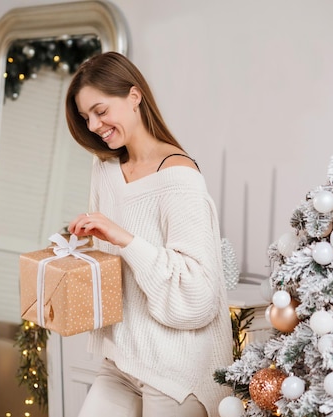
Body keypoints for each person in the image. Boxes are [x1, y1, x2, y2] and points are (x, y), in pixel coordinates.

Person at [65, 51, 233, 417]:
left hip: (177, 370)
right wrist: (72, 250)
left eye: (100, 110)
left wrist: (124, 239)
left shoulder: (180, 177)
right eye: (85, 117)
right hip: (122, 360)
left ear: (134, 96)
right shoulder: (105, 169)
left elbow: (198, 296)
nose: (93, 125)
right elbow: (111, 268)